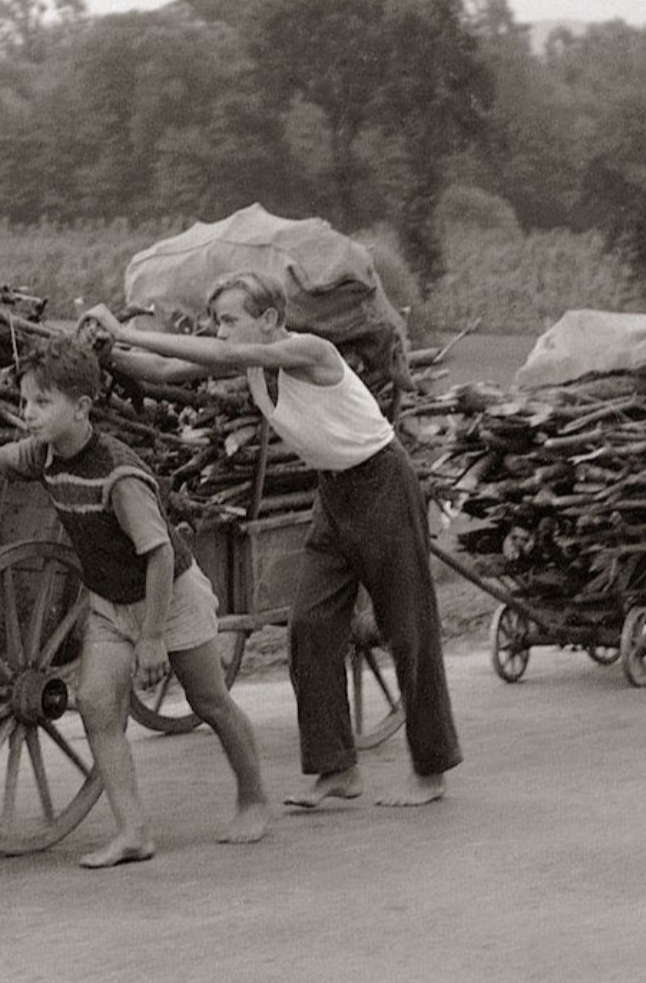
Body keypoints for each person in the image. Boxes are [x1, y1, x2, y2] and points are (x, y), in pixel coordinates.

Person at [83, 271, 461, 809]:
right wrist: (108, 352)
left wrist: (123, 329)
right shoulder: (254, 361)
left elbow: (196, 352)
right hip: (333, 494)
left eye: (231, 320)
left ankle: (431, 770)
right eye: (217, 322)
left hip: (383, 484)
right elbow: (167, 367)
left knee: (409, 627)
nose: (222, 331)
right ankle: (337, 770)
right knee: (309, 625)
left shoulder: (310, 350)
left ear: (268, 320)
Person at [0, 335, 270, 868]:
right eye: (26, 401)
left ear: (81, 409)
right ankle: (134, 832)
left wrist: (152, 638)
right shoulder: (44, 455)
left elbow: (160, 557)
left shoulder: (118, 475)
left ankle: (253, 799)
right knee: (99, 706)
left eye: (41, 403)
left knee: (208, 701)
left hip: (168, 599)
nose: (28, 414)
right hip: (108, 603)